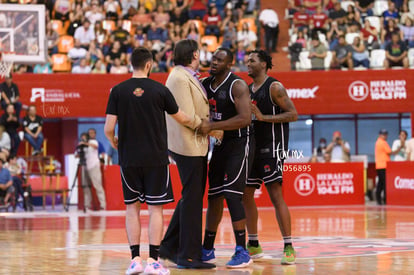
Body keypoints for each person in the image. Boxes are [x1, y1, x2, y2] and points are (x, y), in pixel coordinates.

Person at [104, 47, 194, 275]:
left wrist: (114, 141)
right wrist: (201, 124)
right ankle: (154, 261)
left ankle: (135, 260)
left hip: (129, 159)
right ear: (148, 65)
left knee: (131, 208)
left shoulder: (117, 91)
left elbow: (108, 128)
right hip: (156, 158)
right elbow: (181, 117)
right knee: (156, 209)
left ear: (130, 64)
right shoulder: (160, 90)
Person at [159, 39, 215, 269]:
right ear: (193, 54)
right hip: (187, 145)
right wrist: (213, 128)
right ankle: (188, 255)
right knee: (192, 201)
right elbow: (185, 115)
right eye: (199, 53)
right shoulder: (179, 77)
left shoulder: (185, 75)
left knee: (190, 198)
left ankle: (168, 247)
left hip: (194, 144)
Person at [197, 48, 253, 268]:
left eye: (220, 60)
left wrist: (213, 126)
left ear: (229, 64)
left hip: (240, 143)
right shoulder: (206, 84)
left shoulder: (236, 85)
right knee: (214, 197)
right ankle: (207, 248)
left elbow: (245, 118)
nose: (214, 63)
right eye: (213, 59)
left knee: (232, 195)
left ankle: (242, 250)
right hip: (220, 144)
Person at [244, 50, 298, 265]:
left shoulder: (274, 87)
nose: (248, 63)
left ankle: (288, 246)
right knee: (246, 194)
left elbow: (293, 114)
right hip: (253, 149)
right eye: (247, 60)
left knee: (276, 195)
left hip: (273, 149)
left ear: (264, 64)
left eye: (252, 60)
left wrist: (263, 117)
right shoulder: (247, 90)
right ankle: (254, 243)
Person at [77, 132, 106, 211]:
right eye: (82, 137)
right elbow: (76, 155)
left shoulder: (93, 142)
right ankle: (87, 205)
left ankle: (103, 205)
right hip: (85, 166)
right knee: (86, 187)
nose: (83, 139)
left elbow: (96, 146)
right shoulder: (82, 146)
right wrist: (80, 147)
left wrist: (86, 143)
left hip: (94, 166)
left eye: (84, 137)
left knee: (98, 186)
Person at [375, 129, 404, 205]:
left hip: (379, 166)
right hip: (383, 165)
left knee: (381, 183)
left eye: (386, 134)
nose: (385, 136)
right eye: (383, 134)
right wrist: (399, 148)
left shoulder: (378, 142)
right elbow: (390, 152)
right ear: (380, 135)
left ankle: (378, 199)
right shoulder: (383, 143)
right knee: (384, 184)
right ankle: (384, 199)